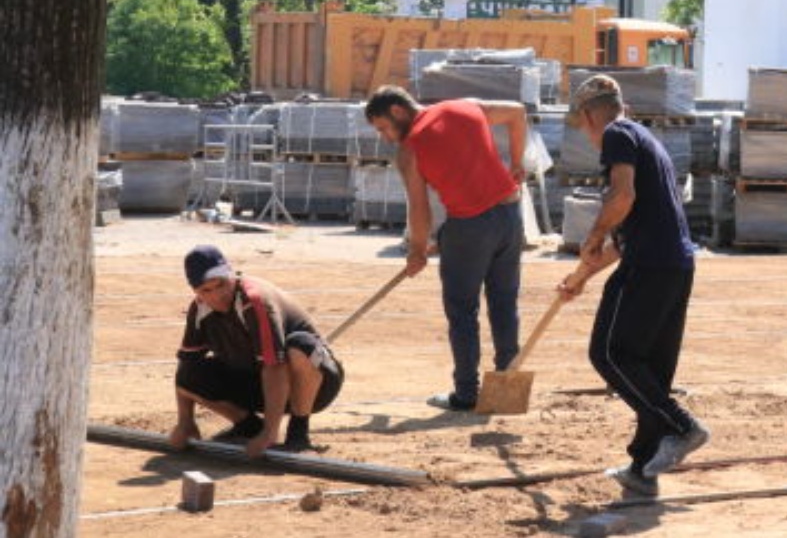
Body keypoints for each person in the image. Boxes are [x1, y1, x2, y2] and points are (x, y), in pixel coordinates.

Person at [558, 75, 708, 498]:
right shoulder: (645, 139)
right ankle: (643, 468)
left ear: (589, 116)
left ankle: (683, 426)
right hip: (674, 265)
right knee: (647, 371)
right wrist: (581, 278)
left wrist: (590, 236)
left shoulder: (617, 135)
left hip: (650, 265)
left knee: (609, 353)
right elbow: (622, 241)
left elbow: (620, 199)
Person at [364, 85, 529, 411]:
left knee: (463, 311)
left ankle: (467, 394)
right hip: (510, 217)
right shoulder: (464, 104)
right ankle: (508, 392)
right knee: (504, 303)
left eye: (383, 127)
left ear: (398, 111)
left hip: (469, 226)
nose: (385, 137)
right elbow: (518, 113)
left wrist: (417, 250)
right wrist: (517, 161)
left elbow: (419, 209)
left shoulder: (409, 150)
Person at [169, 245, 343, 458]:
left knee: (300, 346)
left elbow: (274, 368)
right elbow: (187, 367)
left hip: (315, 382)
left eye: (222, 284)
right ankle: (248, 426)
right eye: (206, 290)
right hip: (262, 383)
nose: (218, 295)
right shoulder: (199, 310)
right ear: (196, 291)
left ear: (231, 275)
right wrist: (185, 422)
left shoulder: (254, 301)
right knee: (189, 375)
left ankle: (298, 434)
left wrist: (270, 433)